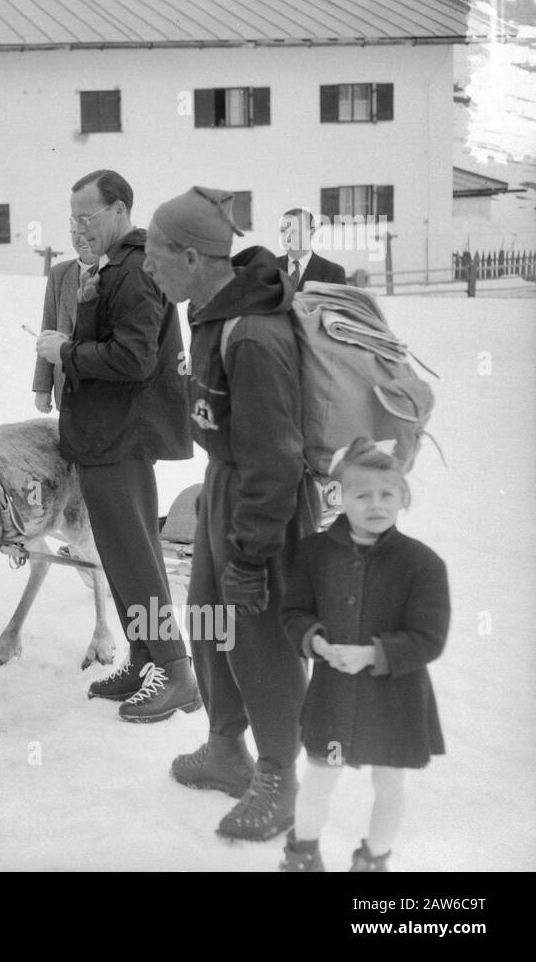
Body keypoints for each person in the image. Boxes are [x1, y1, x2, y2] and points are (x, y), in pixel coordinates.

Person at [143, 186, 322, 841]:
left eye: (157, 253)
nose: (147, 266)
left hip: (265, 505)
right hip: (226, 485)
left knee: (262, 641)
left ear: (193, 256)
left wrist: (250, 552)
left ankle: (279, 782)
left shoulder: (255, 332)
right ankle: (225, 748)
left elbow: (276, 458)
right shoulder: (210, 310)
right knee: (212, 623)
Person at [35, 170, 196, 722]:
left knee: (135, 558)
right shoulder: (118, 265)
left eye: (87, 216)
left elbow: (133, 359)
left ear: (120, 210)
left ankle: (176, 672)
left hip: (120, 436)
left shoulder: (132, 271)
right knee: (125, 556)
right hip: (106, 434)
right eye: (72, 218)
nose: (78, 228)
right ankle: (143, 656)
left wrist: (66, 353)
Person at [278, 439, 449, 872]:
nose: (376, 504)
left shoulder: (423, 564)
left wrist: (373, 654)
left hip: (396, 698)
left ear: (403, 497)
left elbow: (430, 638)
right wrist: (312, 640)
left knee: (389, 781)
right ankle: (302, 856)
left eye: (387, 494)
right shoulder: (314, 554)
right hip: (335, 694)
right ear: (339, 497)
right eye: (362, 494)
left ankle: (373, 861)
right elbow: (294, 612)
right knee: (321, 774)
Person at [31, 223, 95, 414]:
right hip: (67, 386)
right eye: (74, 232)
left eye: (87, 233)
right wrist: (42, 386)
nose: (81, 239)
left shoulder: (116, 273)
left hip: (106, 387)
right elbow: (48, 328)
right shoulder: (59, 273)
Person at [278, 207, 346, 287]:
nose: (287, 238)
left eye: (294, 232)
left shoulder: (333, 272)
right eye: (283, 231)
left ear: (312, 232)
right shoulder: (268, 269)